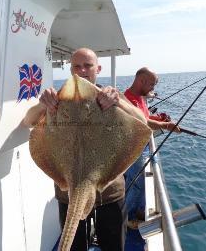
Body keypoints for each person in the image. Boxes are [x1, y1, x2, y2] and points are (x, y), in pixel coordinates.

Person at [22, 48, 143, 251]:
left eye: (87, 65)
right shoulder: (58, 98)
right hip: (69, 187)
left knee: (114, 247)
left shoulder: (112, 95)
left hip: (109, 189)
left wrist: (119, 102)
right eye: (77, 66)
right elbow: (29, 121)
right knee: (74, 246)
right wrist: (44, 105)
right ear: (71, 70)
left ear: (98, 68)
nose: (82, 70)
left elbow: (142, 122)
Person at [123, 67, 180, 230]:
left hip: (143, 145)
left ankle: (138, 210)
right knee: (135, 183)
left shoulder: (140, 97)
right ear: (141, 81)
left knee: (140, 182)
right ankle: (128, 217)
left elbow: (147, 116)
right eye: (152, 85)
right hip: (134, 148)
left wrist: (159, 118)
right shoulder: (128, 100)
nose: (153, 90)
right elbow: (143, 122)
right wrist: (166, 125)